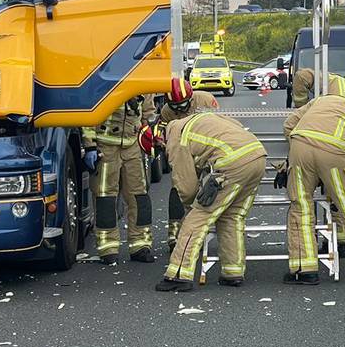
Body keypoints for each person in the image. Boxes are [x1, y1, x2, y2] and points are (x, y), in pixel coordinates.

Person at [278, 91, 345, 284]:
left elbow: (289, 124)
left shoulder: (324, 99)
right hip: (334, 151)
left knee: (300, 207)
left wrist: (297, 150)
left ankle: (305, 270)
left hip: (300, 145)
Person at [156, 113, 266, 291]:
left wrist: (194, 203)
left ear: (160, 139)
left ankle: (179, 274)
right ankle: (233, 272)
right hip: (257, 157)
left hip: (232, 162)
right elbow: (234, 126)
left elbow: (187, 188)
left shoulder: (176, 139)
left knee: (198, 217)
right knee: (232, 216)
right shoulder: (197, 119)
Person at [82, 95, 156, 264]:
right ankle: (108, 247)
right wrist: (90, 145)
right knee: (105, 198)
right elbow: (88, 112)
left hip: (133, 145)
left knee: (139, 196)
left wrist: (148, 133)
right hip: (105, 145)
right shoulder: (103, 79)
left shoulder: (139, 78)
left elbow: (147, 111)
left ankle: (141, 245)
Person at [159, 76, 219, 248]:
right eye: (175, 107)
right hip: (183, 152)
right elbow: (166, 133)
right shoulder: (167, 111)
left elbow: (218, 125)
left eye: (183, 105)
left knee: (207, 188)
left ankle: (200, 230)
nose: (180, 110)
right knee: (180, 189)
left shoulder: (205, 100)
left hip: (206, 149)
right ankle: (174, 234)